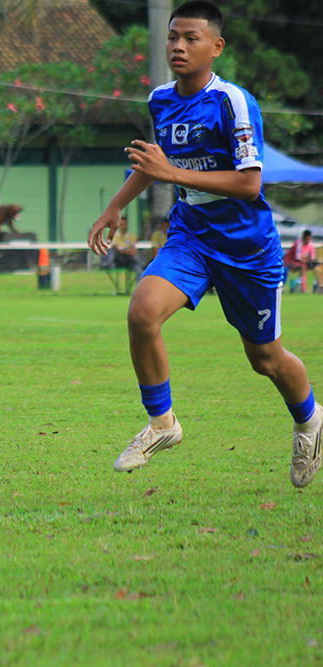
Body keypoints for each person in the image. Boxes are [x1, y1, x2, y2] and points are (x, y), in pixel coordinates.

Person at [87, 1, 321, 488]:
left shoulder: (233, 102)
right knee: (142, 312)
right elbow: (156, 163)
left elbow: (250, 184)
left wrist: (171, 173)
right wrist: (115, 205)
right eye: (173, 36)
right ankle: (162, 424)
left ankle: (310, 421)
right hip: (190, 235)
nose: (178, 46)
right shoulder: (160, 99)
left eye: (191, 38)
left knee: (266, 359)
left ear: (216, 46)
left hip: (246, 248)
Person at [101, 215, 144, 283]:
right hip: (119, 260)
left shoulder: (130, 236)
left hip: (129, 259)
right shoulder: (115, 236)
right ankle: (141, 263)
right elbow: (117, 249)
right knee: (115, 251)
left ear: (126, 225)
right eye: (120, 225)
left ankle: (139, 285)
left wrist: (127, 251)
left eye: (123, 224)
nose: (122, 226)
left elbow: (133, 249)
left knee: (137, 268)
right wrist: (126, 251)